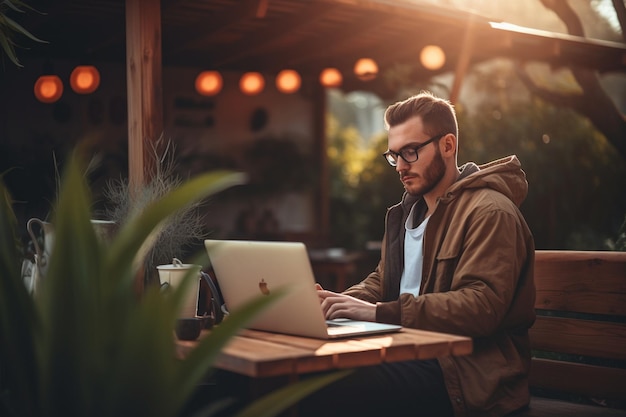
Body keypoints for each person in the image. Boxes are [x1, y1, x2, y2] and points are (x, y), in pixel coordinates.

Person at [300, 91, 536, 417]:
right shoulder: (408, 214)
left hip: (466, 375)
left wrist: (378, 313)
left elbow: (481, 307)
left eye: (410, 152)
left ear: (448, 146)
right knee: (302, 372)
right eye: (394, 155)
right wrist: (335, 304)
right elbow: (384, 282)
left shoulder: (490, 212)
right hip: (407, 354)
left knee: (332, 383)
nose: (400, 166)